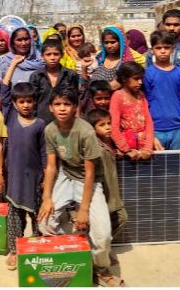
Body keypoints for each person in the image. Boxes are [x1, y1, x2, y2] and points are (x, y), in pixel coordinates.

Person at [37, 86, 123, 287]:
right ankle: (74, 253)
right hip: (65, 176)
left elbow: (90, 173)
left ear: (75, 107)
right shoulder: (50, 130)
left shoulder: (85, 131)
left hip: (89, 182)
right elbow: (51, 167)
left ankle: (100, 269)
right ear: (50, 107)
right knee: (44, 223)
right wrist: (47, 198)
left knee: (103, 238)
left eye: (67, 104)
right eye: (57, 104)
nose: (62, 108)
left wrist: (83, 210)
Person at [0, 82, 46, 270]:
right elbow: (4, 94)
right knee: (15, 216)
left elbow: (44, 152)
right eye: (21, 101)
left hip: (34, 178)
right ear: (15, 103)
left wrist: (44, 177)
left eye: (29, 101)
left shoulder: (40, 124)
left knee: (37, 215)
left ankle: (34, 247)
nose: (25, 105)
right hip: (15, 177)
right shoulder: (10, 117)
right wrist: (13, 64)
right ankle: (14, 250)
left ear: (35, 102)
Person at [87, 109, 128, 251]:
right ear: (93, 128)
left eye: (109, 123)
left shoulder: (110, 142)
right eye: (102, 125)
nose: (108, 127)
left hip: (113, 192)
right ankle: (100, 251)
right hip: (104, 193)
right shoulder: (96, 148)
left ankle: (105, 247)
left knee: (121, 218)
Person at [143, 31, 180, 151]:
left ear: (173, 49)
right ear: (151, 50)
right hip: (156, 129)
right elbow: (145, 104)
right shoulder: (147, 74)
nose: (163, 51)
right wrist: (149, 134)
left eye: (166, 47)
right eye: (158, 48)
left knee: (176, 166)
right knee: (158, 167)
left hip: (178, 128)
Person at [29, 38, 79, 124]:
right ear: (42, 56)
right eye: (48, 54)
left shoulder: (70, 75)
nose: (52, 58)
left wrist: (76, 118)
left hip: (65, 121)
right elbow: (32, 100)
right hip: (41, 121)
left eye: (56, 54)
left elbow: (75, 99)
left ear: (62, 55)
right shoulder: (36, 76)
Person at [110, 61, 154, 159]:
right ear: (124, 79)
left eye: (141, 78)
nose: (140, 82)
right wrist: (126, 149)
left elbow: (149, 123)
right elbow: (114, 127)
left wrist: (148, 147)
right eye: (136, 79)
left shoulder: (141, 96)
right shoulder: (117, 96)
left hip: (144, 149)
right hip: (128, 149)